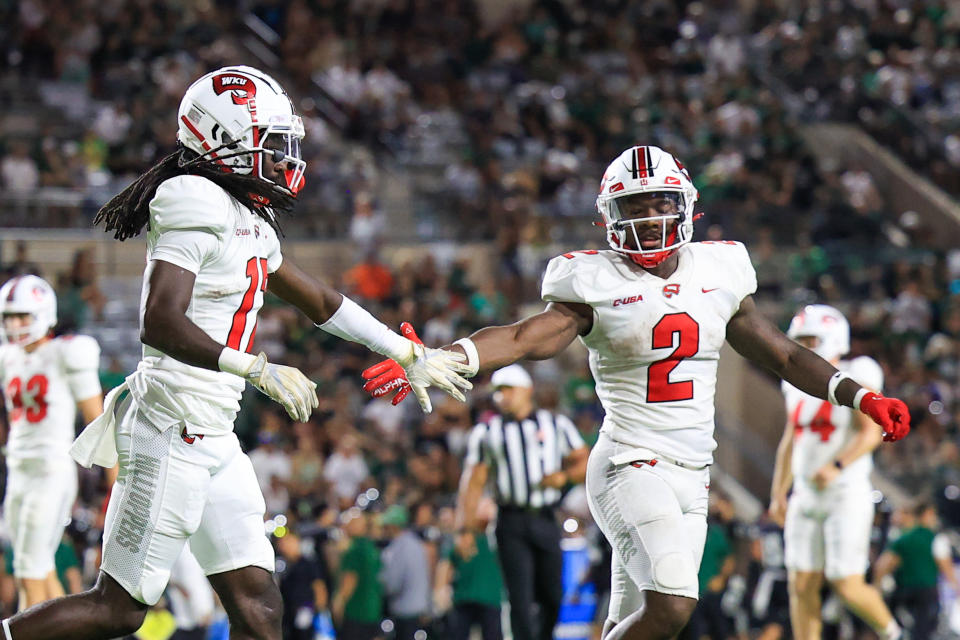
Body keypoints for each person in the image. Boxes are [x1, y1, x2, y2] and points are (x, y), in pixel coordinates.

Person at [362, 145, 911, 640]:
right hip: (630, 462)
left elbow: (786, 355)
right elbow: (525, 337)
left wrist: (859, 396)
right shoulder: (594, 283)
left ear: (685, 206)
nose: (648, 220)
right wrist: (443, 356)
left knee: (633, 621)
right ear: (609, 217)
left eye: (658, 204)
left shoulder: (716, 273)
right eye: (634, 208)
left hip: (694, 475)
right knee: (673, 603)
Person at [0, 65, 471, 640]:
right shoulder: (191, 197)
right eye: (273, 147)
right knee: (119, 609)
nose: (285, 161)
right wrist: (253, 366)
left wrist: (404, 350)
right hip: (171, 427)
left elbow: (321, 300)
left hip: (214, 433)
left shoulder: (247, 214)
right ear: (225, 142)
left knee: (258, 604)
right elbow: (160, 320)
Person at [768, 304, 901, 640]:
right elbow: (791, 437)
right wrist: (778, 491)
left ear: (833, 337)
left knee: (846, 582)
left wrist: (837, 464)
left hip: (845, 491)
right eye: (800, 340)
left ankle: (894, 634)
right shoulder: (792, 383)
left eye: (812, 339)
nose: (805, 347)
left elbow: (870, 431)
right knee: (801, 583)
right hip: (805, 493)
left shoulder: (859, 369)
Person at [452, 363, 588, 640]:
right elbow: (473, 482)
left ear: (527, 390)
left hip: (546, 516)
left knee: (552, 593)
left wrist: (563, 477)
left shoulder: (554, 423)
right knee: (519, 596)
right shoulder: (487, 431)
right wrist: (464, 528)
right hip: (509, 518)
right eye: (498, 392)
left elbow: (584, 460)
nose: (503, 397)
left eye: (508, 390)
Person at [0, 275, 104, 609]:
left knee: (29, 570)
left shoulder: (66, 352)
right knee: (36, 568)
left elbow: (99, 420)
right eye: (9, 316)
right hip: (18, 469)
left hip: (50, 469)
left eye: (22, 316)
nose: (14, 324)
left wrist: (114, 481)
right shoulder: (9, 357)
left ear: (44, 313)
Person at [873, 501, 959, 640]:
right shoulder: (936, 539)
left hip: (902, 591)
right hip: (926, 594)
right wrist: (956, 588)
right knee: (922, 633)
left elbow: (883, 565)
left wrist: (877, 587)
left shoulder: (902, 538)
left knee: (895, 630)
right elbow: (947, 568)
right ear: (927, 514)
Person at [378, 505, 431, 640]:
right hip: (419, 608)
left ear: (393, 526)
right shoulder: (416, 544)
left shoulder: (398, 548)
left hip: (404, 611)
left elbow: (392, 584)